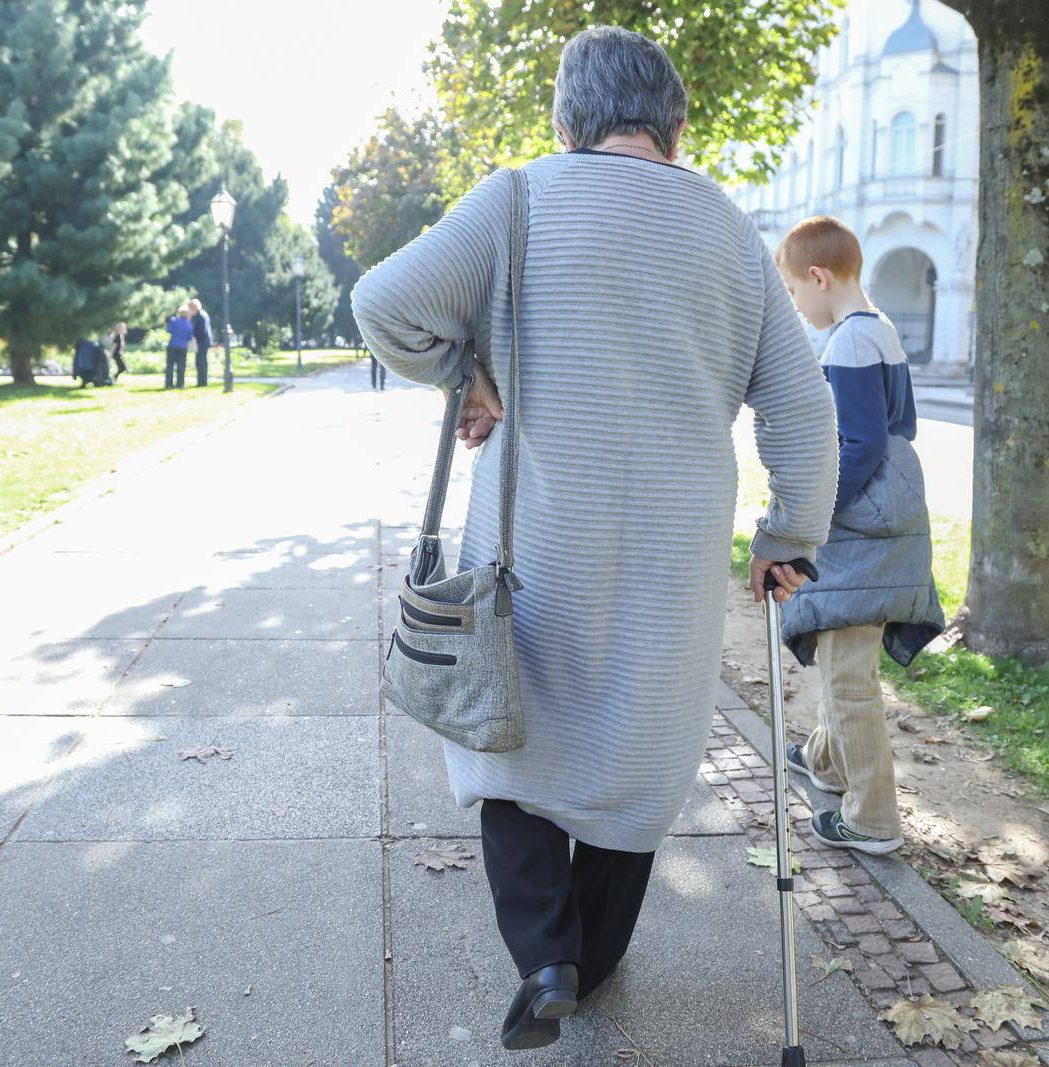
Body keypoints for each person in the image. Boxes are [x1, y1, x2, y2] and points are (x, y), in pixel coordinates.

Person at [352, 26, 839, 1052]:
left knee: (510, 742)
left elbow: (383, 301)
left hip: (536, 545)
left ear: (566, 121)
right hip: (673, 552)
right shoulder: (727, 231)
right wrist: (786, 533)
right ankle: (596, 954)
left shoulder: (517, 197)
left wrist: (466, 376)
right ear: (675, 126)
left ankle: (547, 956)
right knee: (634, 749)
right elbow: (803, 410)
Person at [772, 215, 945, 856]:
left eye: (794, 291)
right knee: (848, 653)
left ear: (818, 277)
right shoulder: (881, 329)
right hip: (889, 515)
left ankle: (872, 820)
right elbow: (902, 428)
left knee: (847, 673)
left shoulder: (846, 342)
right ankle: (826, 760)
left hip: (860, 526)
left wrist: (816, 512)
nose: (796, 303)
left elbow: (862, 442)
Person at [164, 308, 193, 389]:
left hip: (173, 345)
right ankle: (180, 384)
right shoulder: (189, 325)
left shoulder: (174, 321)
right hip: (183, 346)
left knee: (170, 365)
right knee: (181, 366)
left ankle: (169, 384)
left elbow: (169, 330)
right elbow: (189, 338)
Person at [188, 298, 213, 387]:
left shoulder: (201, 316)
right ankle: (201, 381)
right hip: (202, 341)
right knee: (200, 362)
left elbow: (202, 331)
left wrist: (193, 336)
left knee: (201, 362)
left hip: (202, 342)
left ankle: (202, 382)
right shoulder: (199, 314)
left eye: (191, 307)